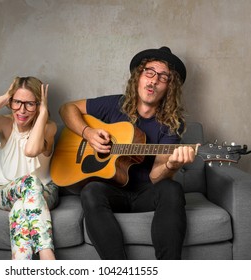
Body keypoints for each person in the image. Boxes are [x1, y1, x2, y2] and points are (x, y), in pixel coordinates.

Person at [59, 46, 196, 260]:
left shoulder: (172, 124)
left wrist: (171, 165)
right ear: (138, 77)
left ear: (170, 87)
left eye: (163, 77)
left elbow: (155, 176)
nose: (153, 81)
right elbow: (67, 108)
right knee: (91, 190)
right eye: (149, 72)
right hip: (112, 191)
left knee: (172, 188)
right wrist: (88, 133)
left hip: (145, 194)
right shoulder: (116, 105)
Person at [0, 76, 58, 260]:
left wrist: (44, 113)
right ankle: (47, 256)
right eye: (17, 102)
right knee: (26, 191)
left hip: (45, 193)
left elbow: (31, 150)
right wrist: (4, 97)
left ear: (39, 105)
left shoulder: (48, 128)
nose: (22, 110)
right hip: (6, 193)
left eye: (30, 104)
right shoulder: (6, 125)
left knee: (21, 206)